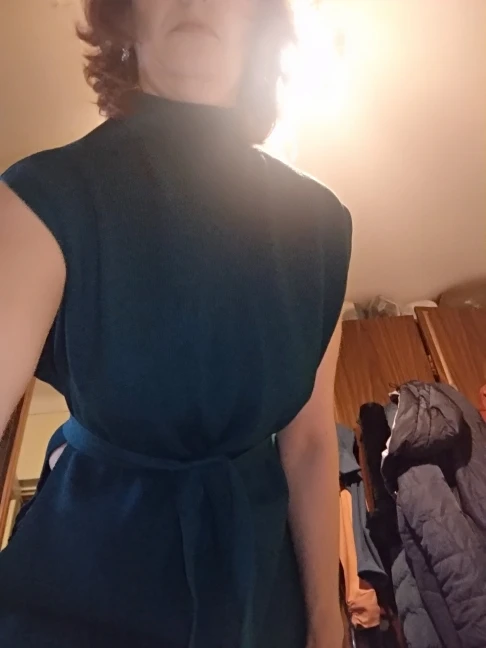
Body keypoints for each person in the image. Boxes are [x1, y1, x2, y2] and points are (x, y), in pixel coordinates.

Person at [0, 0, 351, 646]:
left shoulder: (323, 226)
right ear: (127, 18)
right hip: (84, 582)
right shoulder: (42, 197)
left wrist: (326, 620)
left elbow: (307, 443)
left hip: (260, 591)